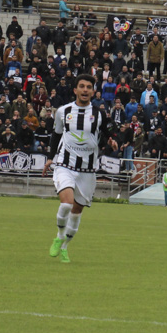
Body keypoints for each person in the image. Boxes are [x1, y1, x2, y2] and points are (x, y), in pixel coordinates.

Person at [45, 74, 117, 263]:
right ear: (75, 90)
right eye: (82, 86)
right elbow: (56, 135)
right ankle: (59, 236)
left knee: (77, 212)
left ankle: (65, 248)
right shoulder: (63, 111)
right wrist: (50, 158)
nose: (85, 90)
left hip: (88, 170)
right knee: (66, 203)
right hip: (64, 164)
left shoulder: (99, 113)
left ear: (93, 91)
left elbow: (108, 131)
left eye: (89, 87)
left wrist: (113, 139)